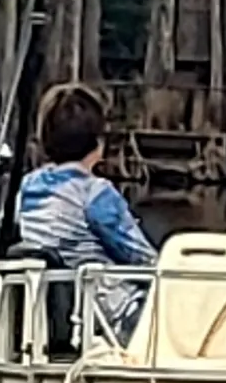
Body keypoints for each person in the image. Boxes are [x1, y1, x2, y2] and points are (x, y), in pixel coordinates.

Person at [15, 85, 156, 339]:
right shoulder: (95, 194)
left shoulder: (28, 188)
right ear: (98, 143)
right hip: (105, 316)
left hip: (48, 316)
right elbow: (143, 259)